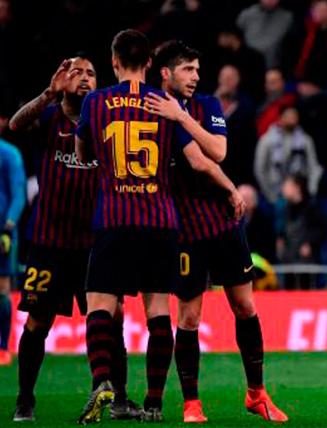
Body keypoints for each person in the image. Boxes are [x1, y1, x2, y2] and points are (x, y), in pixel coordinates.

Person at [74, 29, 244, 424]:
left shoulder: (96, 102)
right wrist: (230, 187)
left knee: (101, 305)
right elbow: (201, 161)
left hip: (114, 217)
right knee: (157, 312)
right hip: (160, 220)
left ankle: (103, 382)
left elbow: (84, 154)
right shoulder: (163, 105)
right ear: (150, 64)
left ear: (114, 61)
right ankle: (153, 403)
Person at [146, 39, 287, 423]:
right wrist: (229, 187)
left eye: (196, 69)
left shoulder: (206, 104)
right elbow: (196, 160)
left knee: (245, 306)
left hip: (224, 225)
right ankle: (192, 402)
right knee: (189, 317)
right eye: (187, 70)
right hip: (184, 229)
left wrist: (182, 117)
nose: (195, 77)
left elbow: (218, 152)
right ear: (165, 73)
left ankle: (256, 392)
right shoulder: (153, 111)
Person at [8, 55, 142, 422]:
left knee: (112, 317)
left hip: (96, 243)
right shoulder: (49, 117)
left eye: (91, 73)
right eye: (76, 72)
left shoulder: (105, 122)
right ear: (62, 79)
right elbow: (16, 125)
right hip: (48, 242)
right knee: (38, 321)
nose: (84, 78)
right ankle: (25, 399)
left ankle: (119, 398)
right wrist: (48, 93)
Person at [0, 110, 24, 368]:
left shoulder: (8, 154)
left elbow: (18, 194)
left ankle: (3, 348)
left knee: (2, 290)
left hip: (2, 233)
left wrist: (7, 227)